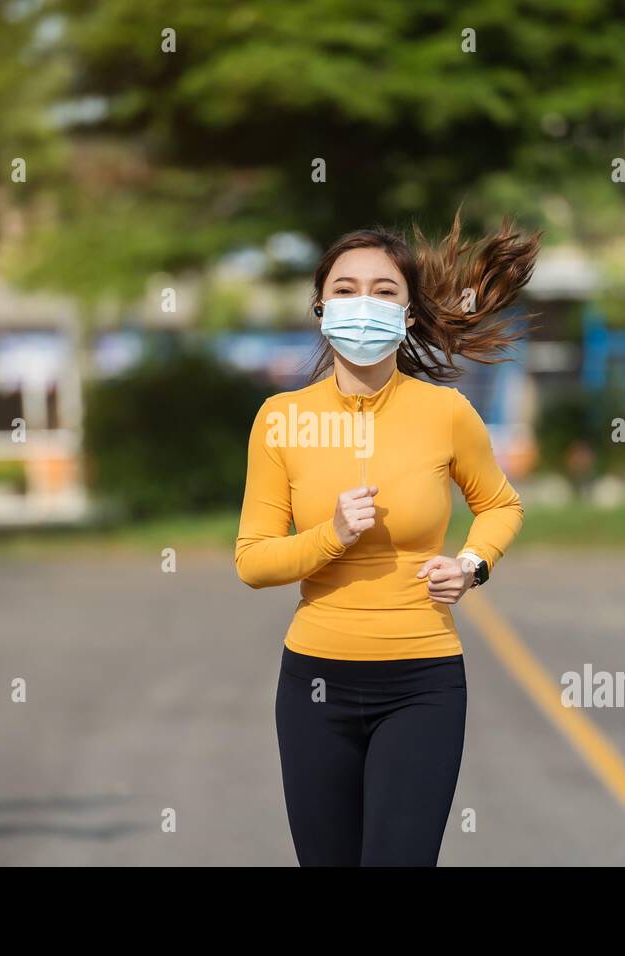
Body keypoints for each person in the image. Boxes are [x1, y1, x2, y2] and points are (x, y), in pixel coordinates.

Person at [235, 212, 540, 866]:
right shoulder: (281, 420)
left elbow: (500, 506)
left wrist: (472, 565)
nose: (362, 304)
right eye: (345, 290)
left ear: (407, 312)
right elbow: (253, 561)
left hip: (423, 684)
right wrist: (332, 535)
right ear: (320, 308)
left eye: (383, 291)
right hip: (314, 686)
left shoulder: (445, 412)